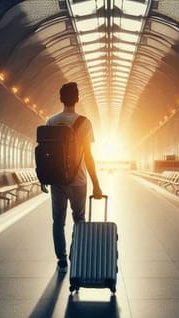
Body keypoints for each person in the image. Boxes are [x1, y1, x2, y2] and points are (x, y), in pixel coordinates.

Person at [46, 82, 102, 273]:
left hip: (56, 180)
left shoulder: (51, 121)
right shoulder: (84, 122)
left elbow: (46, 153)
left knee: (58, 221)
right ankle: (77, 254)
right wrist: (96, 184)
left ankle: (61, 260)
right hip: (78, 181)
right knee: (79, 219)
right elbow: (88, 155)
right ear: (77, 99)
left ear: (61, 98)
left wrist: (43, 177)